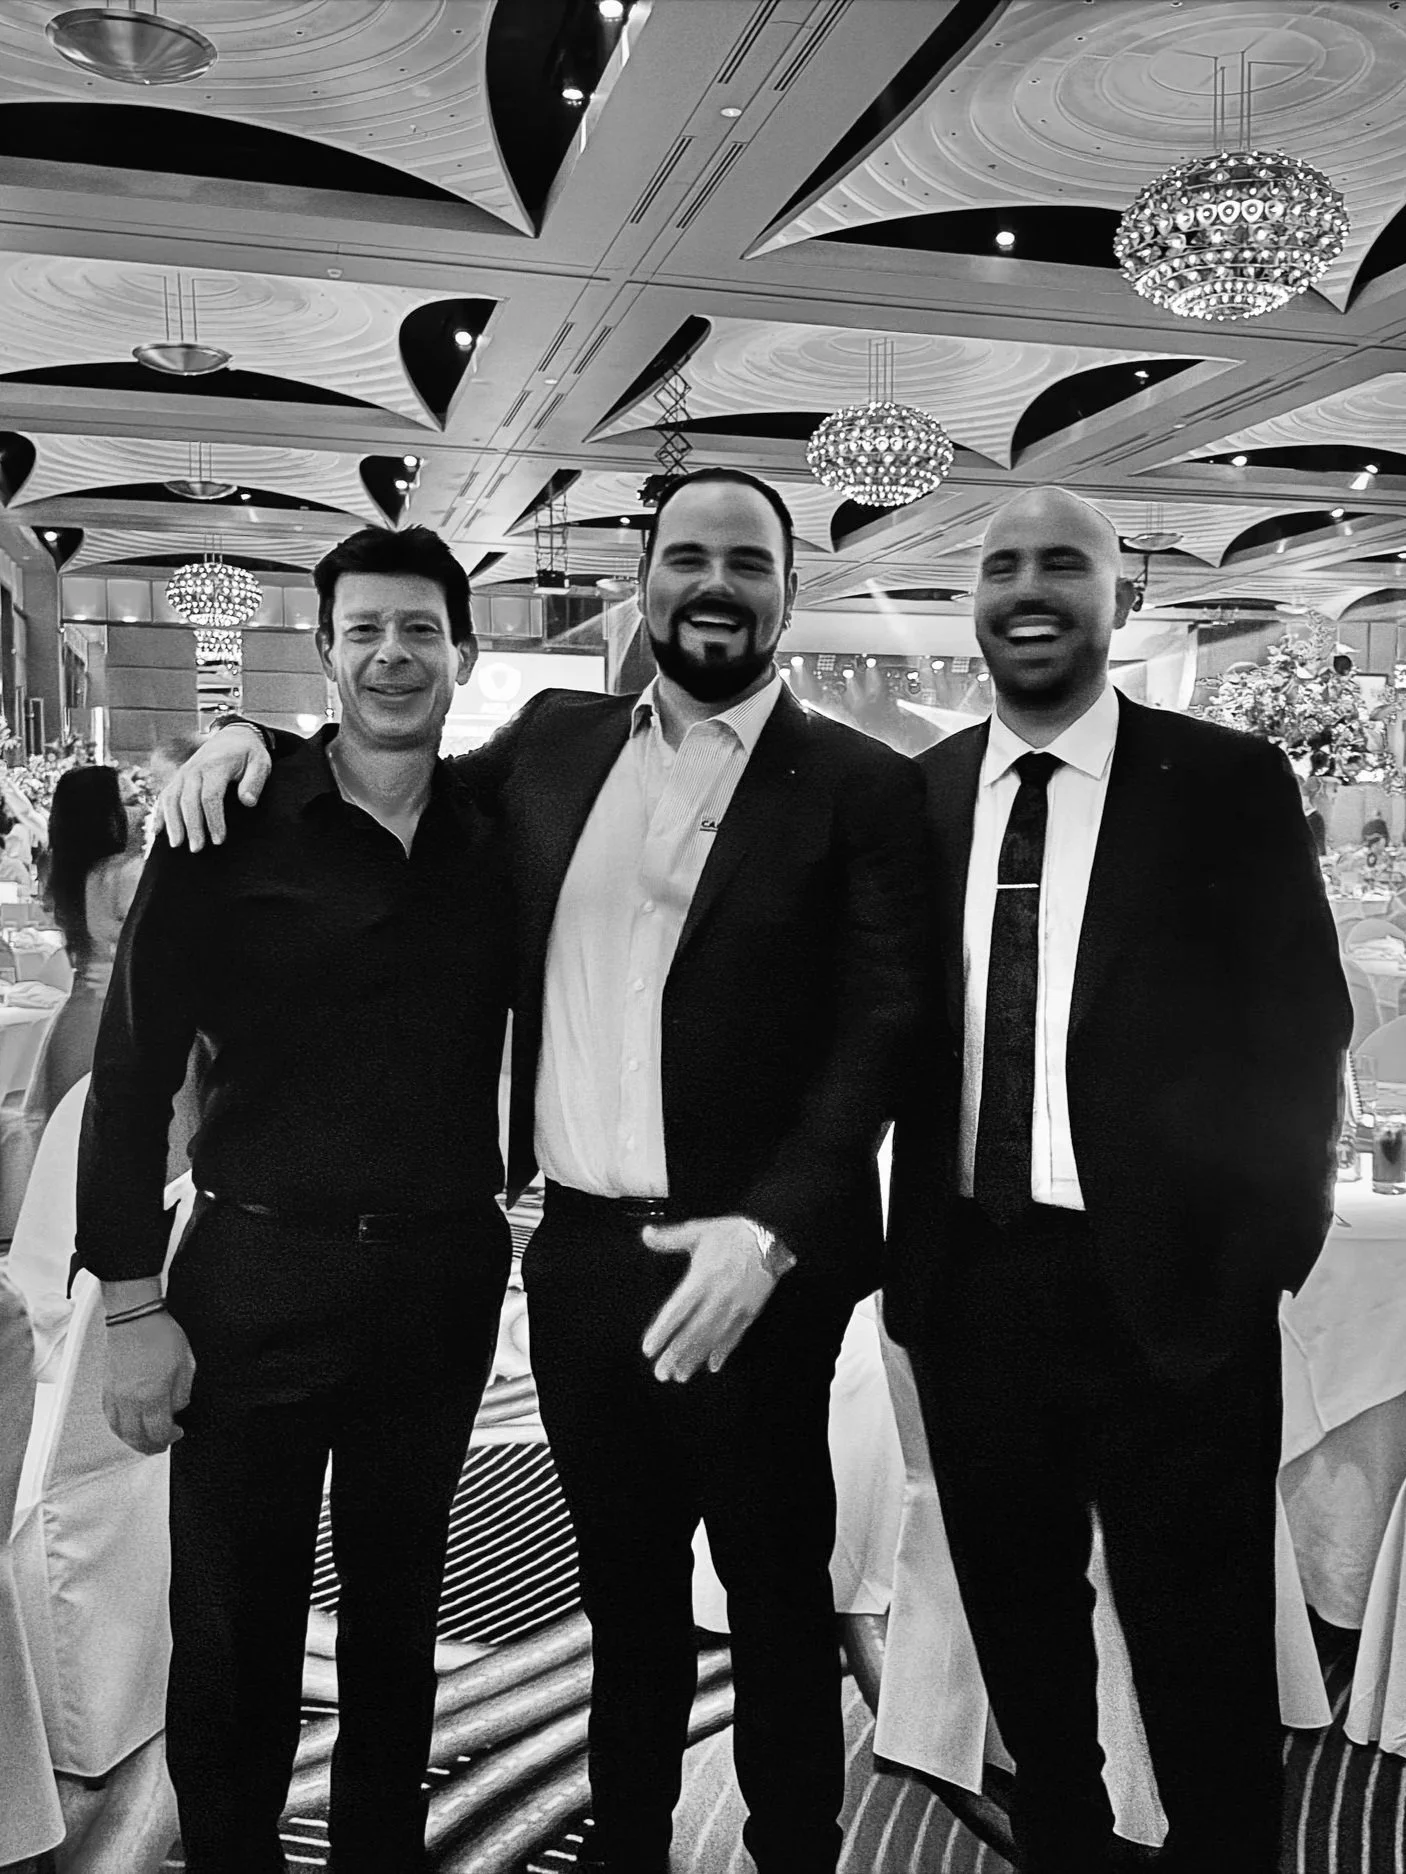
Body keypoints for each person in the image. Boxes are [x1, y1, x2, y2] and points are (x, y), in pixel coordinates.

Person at [160, 466, 931, 1874]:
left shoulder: (861, 787)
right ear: (640, 582)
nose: (713, 583)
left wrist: (768, 1232)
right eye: (685, 555)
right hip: (575, 1261)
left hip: (753, 1269)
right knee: (624, 1607)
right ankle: (628, 1849)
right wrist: (245, 741)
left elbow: (883, 1028)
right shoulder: (555, 744)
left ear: (787, 590)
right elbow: (383, 765)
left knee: (772, 1608)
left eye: (744, 562)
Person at [884, 486, 1351, 1874]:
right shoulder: (914, 799)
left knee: (1199, 1657)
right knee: (1024, 1649)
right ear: (971, 599)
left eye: (1063, 565)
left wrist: (1263, 1250)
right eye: (1001, 565)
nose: (1029, 589)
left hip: (1173, 1302)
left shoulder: (1221, 780)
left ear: (1123, 595)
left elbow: (1299, 1023)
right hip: (970, 1292)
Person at [75, 525, 514, 1874]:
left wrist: (242, 723)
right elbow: (132, 1072)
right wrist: (131, 1300)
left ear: (463, 653)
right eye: (365, 629)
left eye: (421, 630)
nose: (393, 654)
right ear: (325, 651)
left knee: (398, 1615)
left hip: (439, 1279)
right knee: (234, 1627)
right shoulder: (226, 823)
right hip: (254, 1270)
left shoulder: (506, 823)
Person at [30, 766, 145, 1120]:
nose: (143, 810)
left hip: (75, 1024)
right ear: (104, 814)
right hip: (122, 1025)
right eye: (131, 801)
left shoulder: (64, 871)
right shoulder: (129, 873)